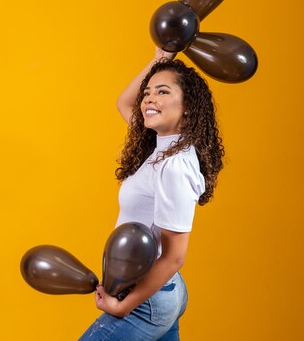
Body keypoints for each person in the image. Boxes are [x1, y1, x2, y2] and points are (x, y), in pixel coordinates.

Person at [78, 49, 224, 341]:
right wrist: (162, 57)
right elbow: (125, 102)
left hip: (147, 298)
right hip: (163, 289)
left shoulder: (174, 165)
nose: (148, 99)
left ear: (188, 106)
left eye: (162, 91)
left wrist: (123, 306)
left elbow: (174, 256)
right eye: (147, 92)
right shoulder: (161, 147)